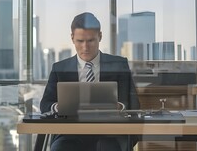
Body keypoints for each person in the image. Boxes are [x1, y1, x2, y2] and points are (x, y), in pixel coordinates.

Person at [40, 12, 140, 151]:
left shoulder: (119, 64)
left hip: (110, 133)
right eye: (80, 41)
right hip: (70, 133)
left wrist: (119, 106)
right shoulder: (60, 68)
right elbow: (45, 104)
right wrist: (60, 107)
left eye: (91, 40)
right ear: (72, 38)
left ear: (100, 36)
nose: (85, 47)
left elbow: (133, 103)